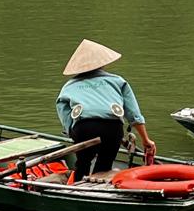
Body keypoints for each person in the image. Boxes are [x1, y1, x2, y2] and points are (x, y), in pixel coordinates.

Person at [55, 39, 156, 182]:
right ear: (102, 63)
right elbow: (134, 114)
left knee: (82, 164)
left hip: (84, 128)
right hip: (112, 128)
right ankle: (99, 190)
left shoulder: (69, 87)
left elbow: (64, 114)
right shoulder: (117, 81)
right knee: (104, 166)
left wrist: (72, 133)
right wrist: (146, 140)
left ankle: (77, 189)